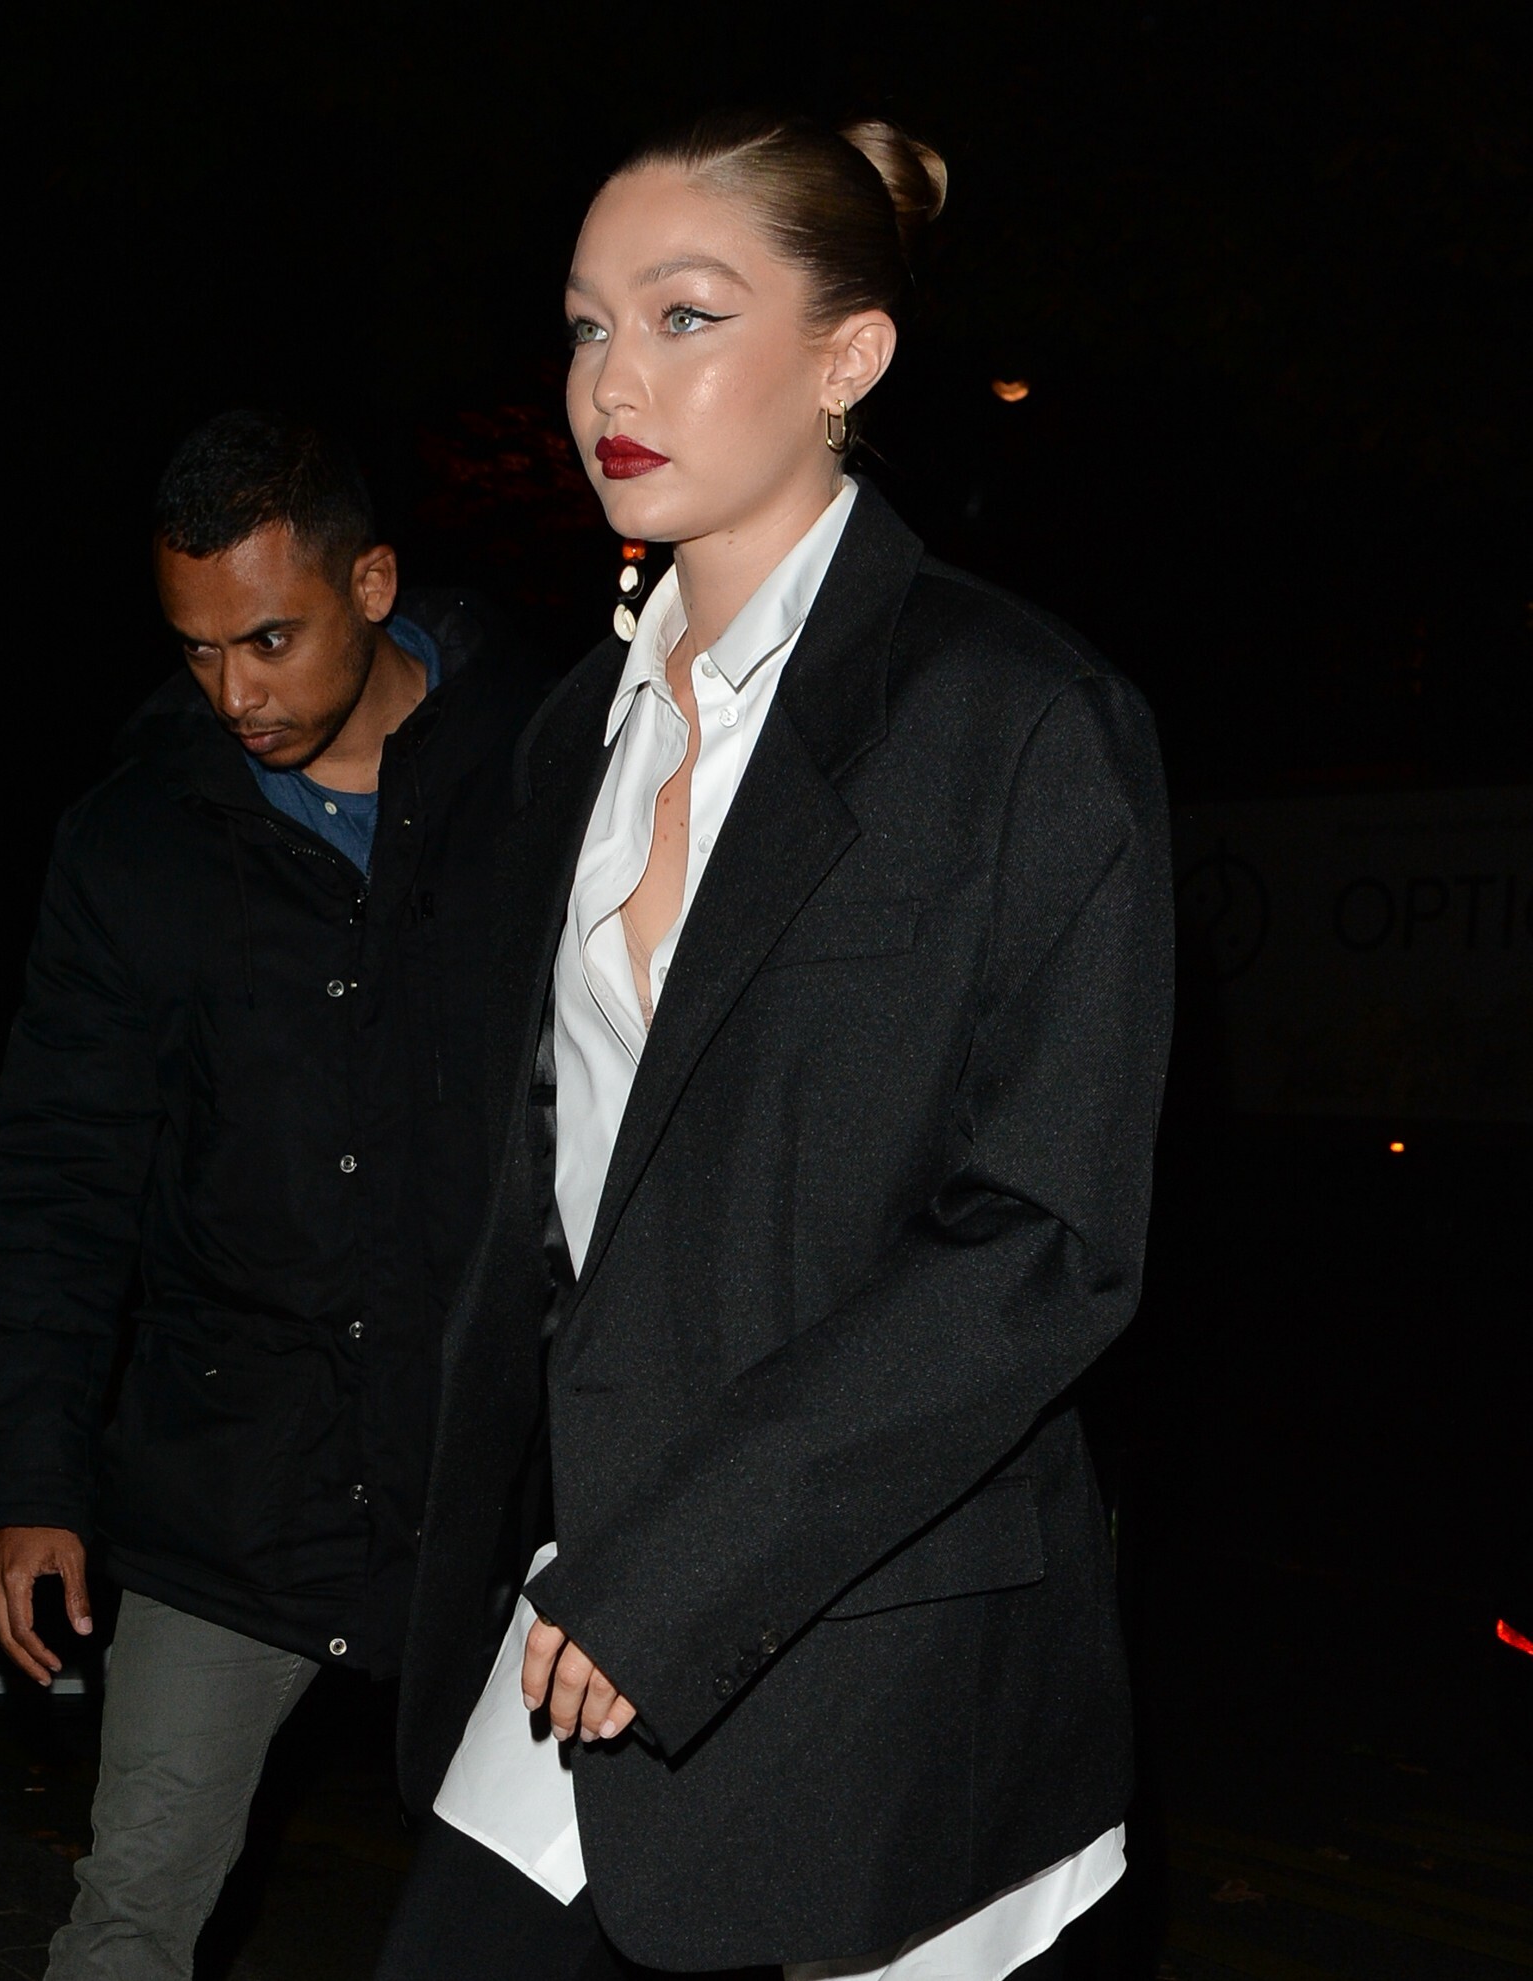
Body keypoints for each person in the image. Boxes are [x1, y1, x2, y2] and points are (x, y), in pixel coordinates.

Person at [383, 113, 1173, 1981]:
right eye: (587, 326)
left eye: (684, 317)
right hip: (581, 1597)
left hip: (878, 1627)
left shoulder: (1017, 719)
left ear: (849, 358)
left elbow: (1044, 1243)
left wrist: (688, 1563)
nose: (611, 383)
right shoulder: (572, 730)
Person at [0, 410, 533, 1977]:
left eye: (269, 638)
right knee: (129, 1917)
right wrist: (29, 1475)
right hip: (231, 1481)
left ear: (373, 582)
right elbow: (58, 1173)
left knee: (566, 1922)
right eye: (198, 650)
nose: (234, 694)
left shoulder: (548, 774)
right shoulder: (137, 840)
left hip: (499, 1484)